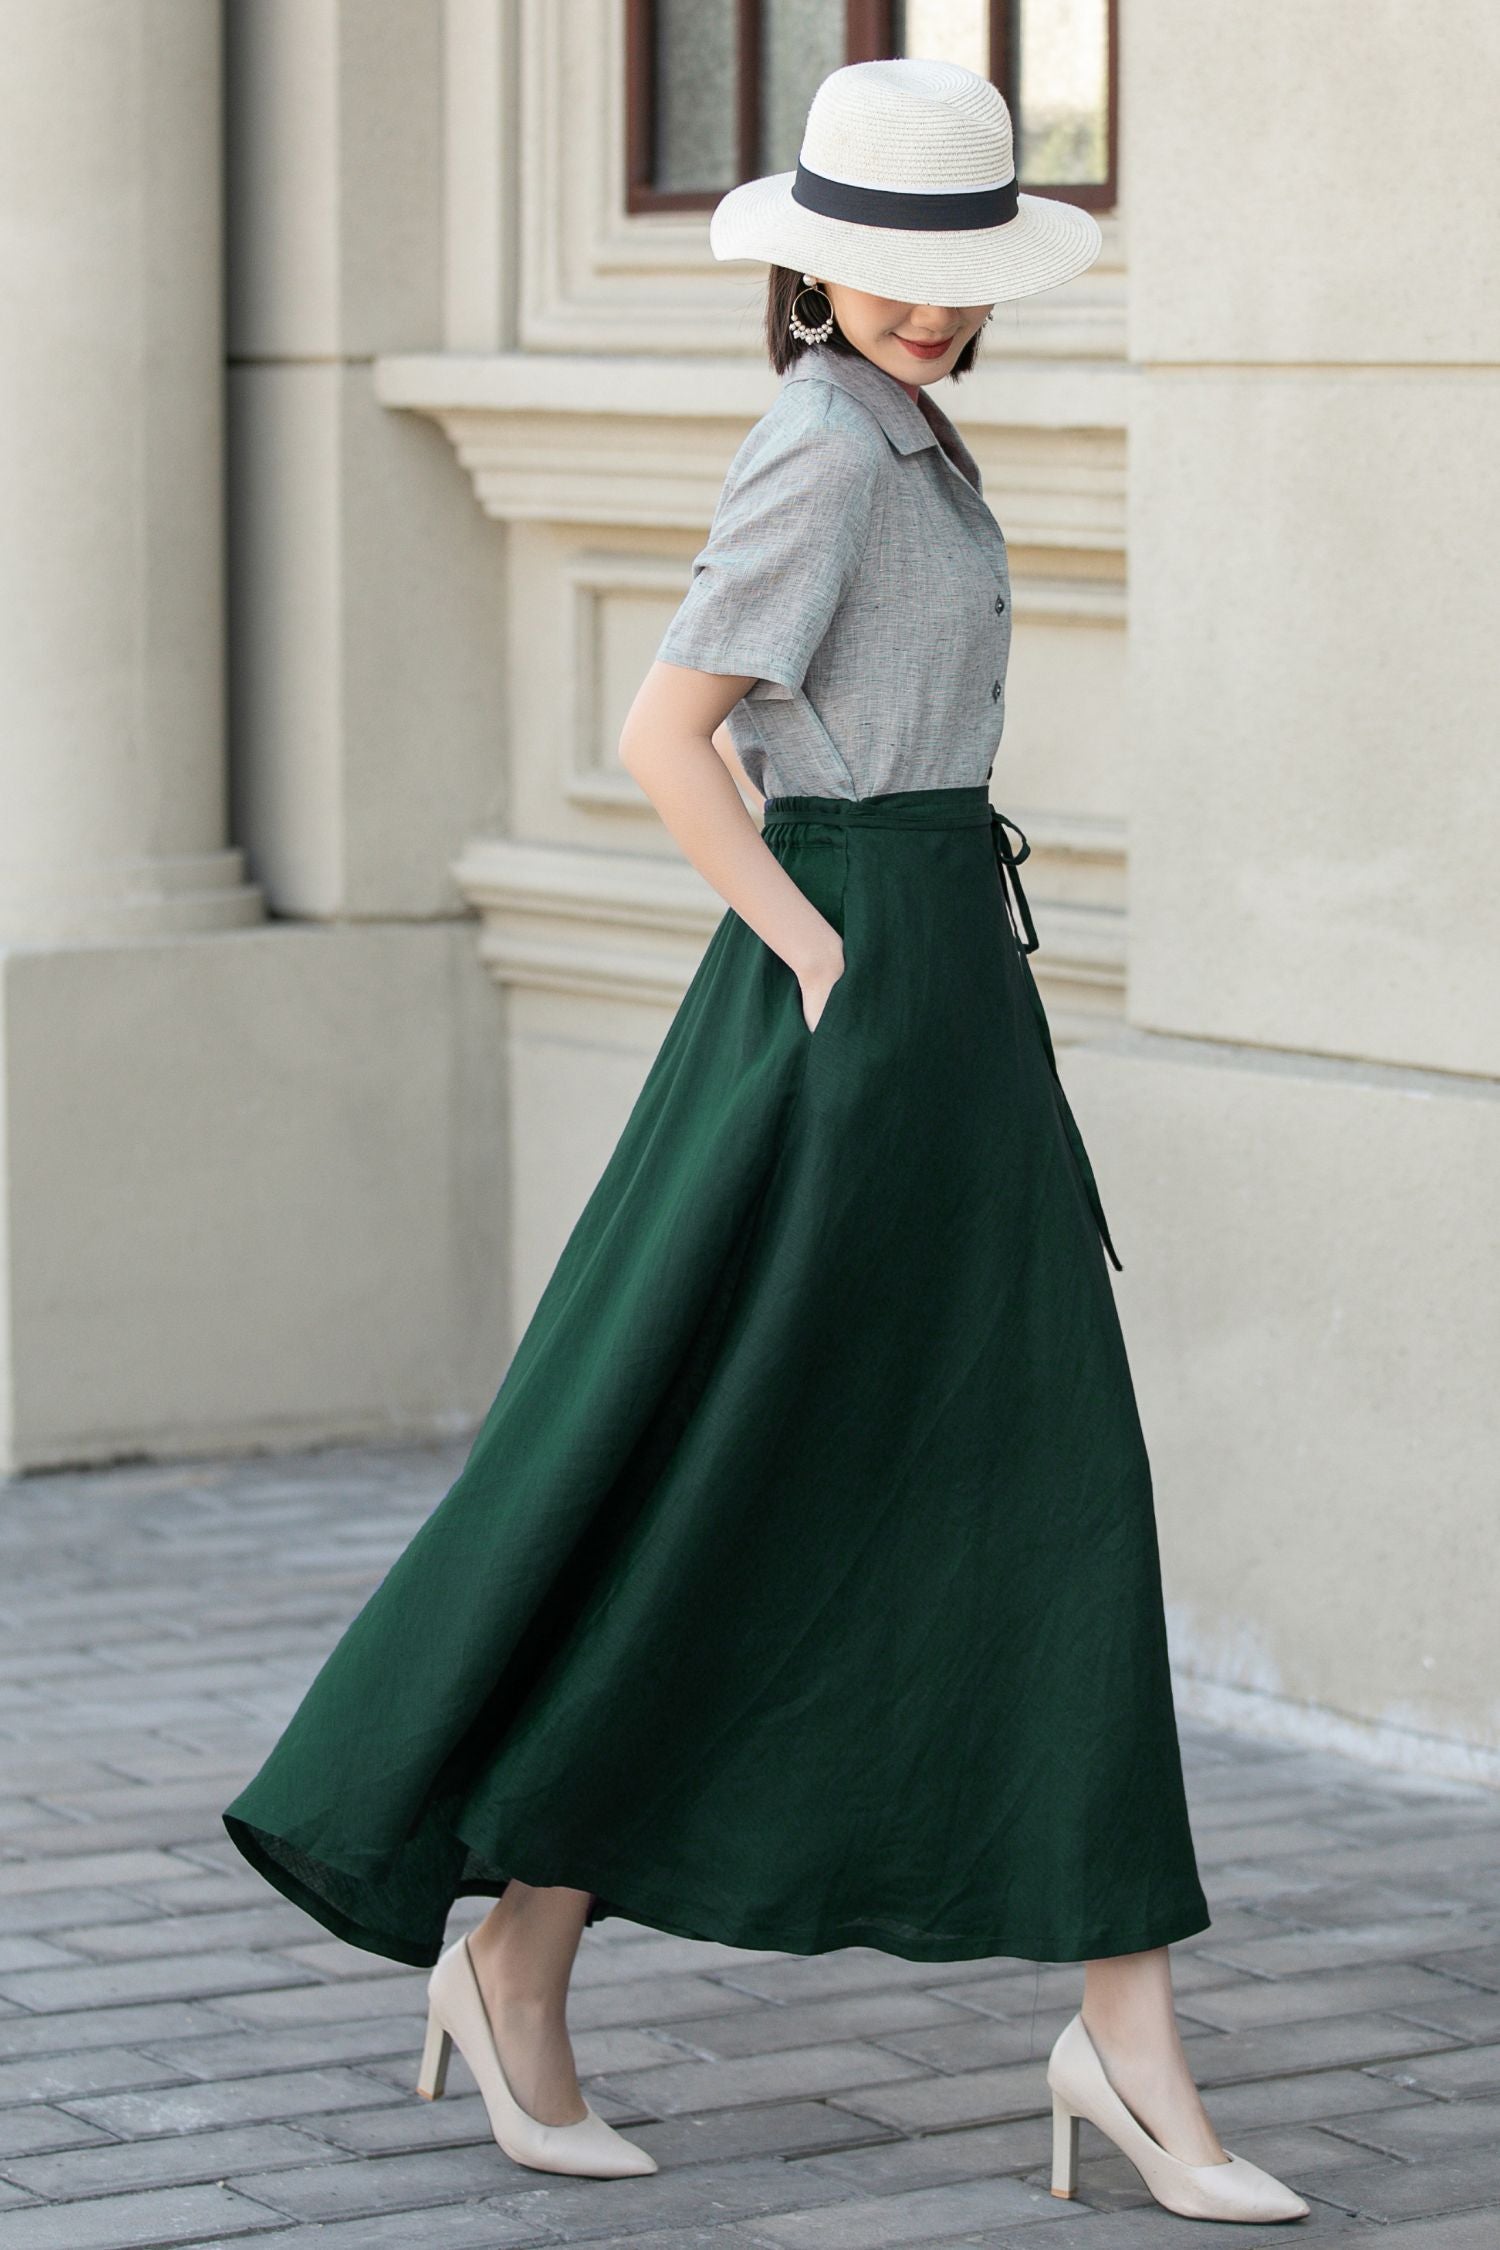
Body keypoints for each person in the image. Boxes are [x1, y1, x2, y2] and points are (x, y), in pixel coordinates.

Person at [222, 58, 1309, 2224]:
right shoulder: (824, 438)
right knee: (756, 1483)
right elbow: (667, 736)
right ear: (814, 263)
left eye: (958, 274)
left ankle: (1114, 2033)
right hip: (863, 1003)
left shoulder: (904, 430)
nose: (929, 305)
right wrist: (822, 950)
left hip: (939, 997)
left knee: (998, 1482)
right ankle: (523, 1957)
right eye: (889, 270)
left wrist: (880, 956)